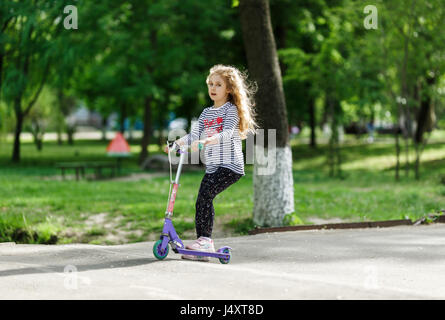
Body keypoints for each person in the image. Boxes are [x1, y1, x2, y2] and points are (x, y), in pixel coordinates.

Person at [164, 64, 258, 261]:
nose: (213, 88)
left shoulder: (230, 110)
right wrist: (175, 144)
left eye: (218, 85)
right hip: (214, 166)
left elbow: (228, 132)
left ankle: (205, 241)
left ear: (229, 89)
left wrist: (207, 140)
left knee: (205, 195)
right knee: (202, 199)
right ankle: (203, 245)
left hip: (230, 166)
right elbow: (194, 135)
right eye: (210, 84)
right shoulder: (206, 113)